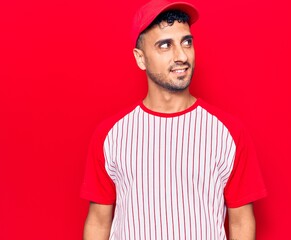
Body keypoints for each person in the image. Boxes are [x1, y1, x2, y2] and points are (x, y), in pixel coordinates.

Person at [81, 0, 267, 239]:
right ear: (140, 58)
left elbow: (241, 224)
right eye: (165, 45)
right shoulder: (111, 135)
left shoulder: (228, 132)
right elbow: (98, 223)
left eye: (186, 42)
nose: (181, 55)